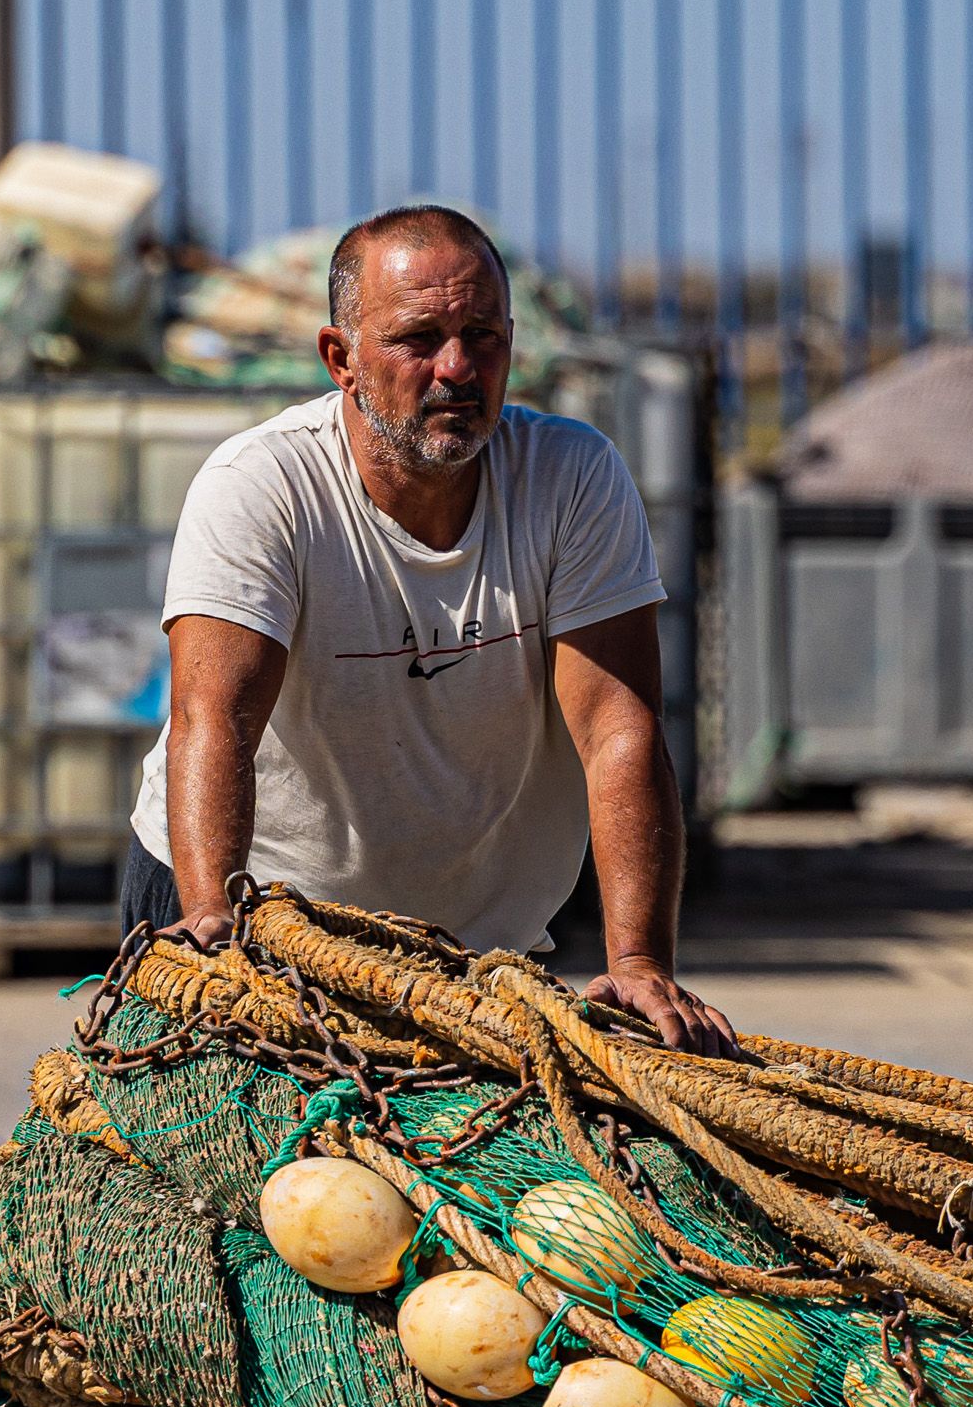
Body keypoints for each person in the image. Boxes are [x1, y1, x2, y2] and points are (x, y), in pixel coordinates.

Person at [123, 203, 736, 1053]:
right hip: (258, 908)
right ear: (342, 359)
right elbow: (213, 719)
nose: (457, 367)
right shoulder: (261, 486)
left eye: (482, 336)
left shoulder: (573, 479)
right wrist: (213, 925)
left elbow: (619, 732)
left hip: (475, 943)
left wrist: (638, 960)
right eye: (419, 339)